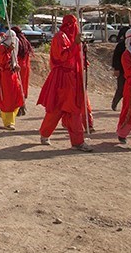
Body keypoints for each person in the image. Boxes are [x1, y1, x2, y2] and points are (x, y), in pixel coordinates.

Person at [37, 14, 93, 152]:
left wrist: (82, 51)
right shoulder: (60, 37)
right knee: (56, 110)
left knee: (74, 111)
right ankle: (44, 134)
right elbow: (62, 57)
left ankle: (78, 142)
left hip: (73, 79)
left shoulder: (74, 38)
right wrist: (75, 45)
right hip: (62, 79)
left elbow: (77, 57)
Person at [0, 29, 25, 130]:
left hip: (12, 75)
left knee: (17, 95)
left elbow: (14, 60)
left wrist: (16, 66)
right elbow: (2, 62)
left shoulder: (12, 48)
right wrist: (9, 50)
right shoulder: (1, 48)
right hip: (4, 76)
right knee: (7, 98)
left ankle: (11, 119)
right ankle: (8, 122)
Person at [10, 25, 33, 116]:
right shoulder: (25, 41)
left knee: (17, 87)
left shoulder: (16, 41)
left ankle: (18, 108)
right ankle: (22, 106)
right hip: (25, 66)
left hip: (18, 66)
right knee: (22, 87)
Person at [110, 26, 131, 111]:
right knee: (121, 89)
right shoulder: (121, 45)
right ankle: (114, 103)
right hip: (122, 71)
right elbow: (116, 58)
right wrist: (116, 69)